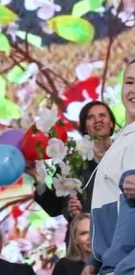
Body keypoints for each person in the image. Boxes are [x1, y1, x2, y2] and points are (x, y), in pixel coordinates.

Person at [27, 100, 115, 245]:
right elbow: (53, 208)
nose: (97, 120)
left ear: (111, 123)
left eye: (102, 115)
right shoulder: (71, 161)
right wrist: (37, 177)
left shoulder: (126, 153)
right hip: (84, 245)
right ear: (84, 127)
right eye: (91, 117)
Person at [86, 60, 135, 275]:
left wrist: (118, 268)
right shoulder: (123, 139)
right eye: (130, 82)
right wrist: (94, 260)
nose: (134, 90)